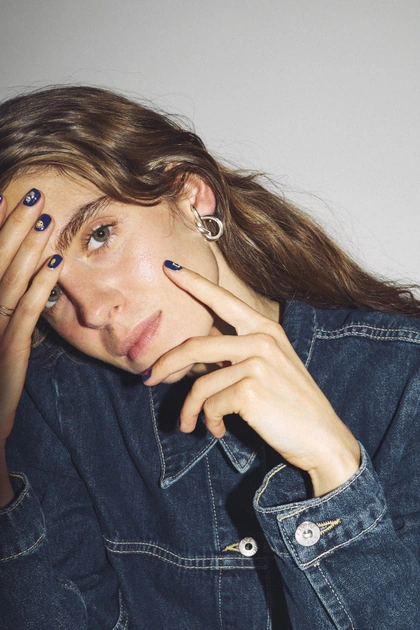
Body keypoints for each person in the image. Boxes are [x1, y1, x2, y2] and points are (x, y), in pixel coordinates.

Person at [0, 86, 419, 630]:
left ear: (191, 196)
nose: (96, 310)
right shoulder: (58, 410)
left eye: (99, 235)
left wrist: (336, 471)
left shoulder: (405, 380)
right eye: (50, 293)